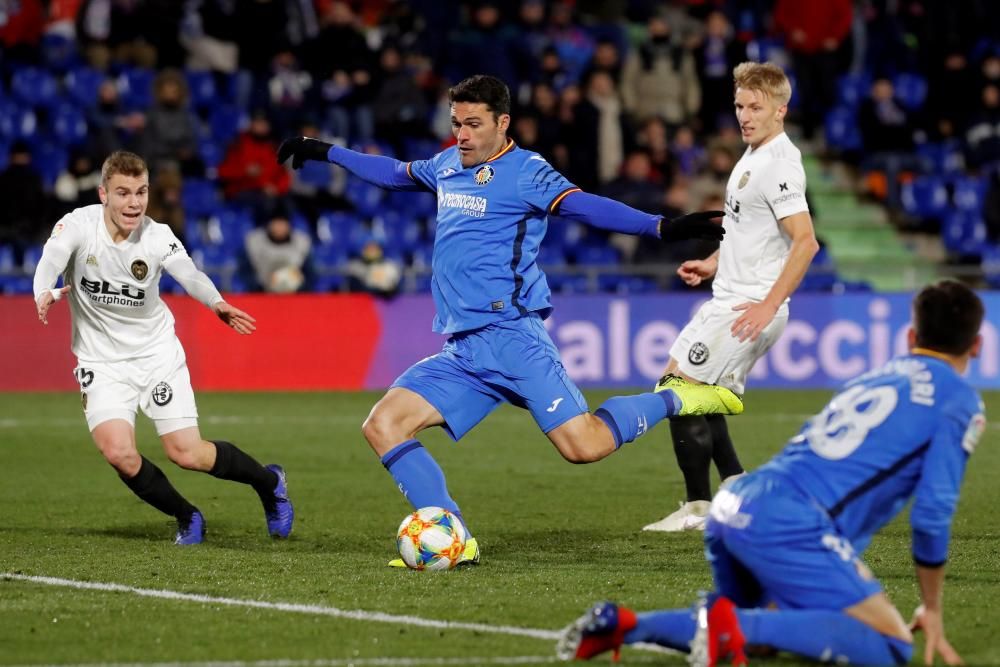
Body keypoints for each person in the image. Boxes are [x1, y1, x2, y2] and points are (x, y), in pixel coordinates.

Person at [277, 74, 740, 567]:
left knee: (584, 447)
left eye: (474, 124)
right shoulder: (447, 165)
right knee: (384, 425)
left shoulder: (527, 173)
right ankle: (455, 537)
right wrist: (326, 150)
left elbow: (584, 205)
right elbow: (393, 171)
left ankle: (677, 397)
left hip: (514, 339)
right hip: (463, 350)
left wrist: (661, 227)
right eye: (457, 123)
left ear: (503, 123)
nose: (462, 135)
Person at [559, 279, 984, 667]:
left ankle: (627, 624)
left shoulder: (877, 377)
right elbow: (932, 513)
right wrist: (931, 606)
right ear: (978, 345)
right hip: (791, 523)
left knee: (760, 634)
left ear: (911, 337)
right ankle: (731, 628)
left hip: (738, 505)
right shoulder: (959, 401)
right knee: (891, 645)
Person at [32, 150, 293, 545]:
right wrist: (43, 292)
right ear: (103, 194)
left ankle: (269, 482)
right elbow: (49, 261)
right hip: (100, 362)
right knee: (119, 453)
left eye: (141, 192)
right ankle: (186, 515)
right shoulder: (77, 226)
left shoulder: (157, 236)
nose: (134, 203)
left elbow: (190, 273)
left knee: (187, 454)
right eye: (123, 193)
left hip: (156, 356)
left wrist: (217, 303)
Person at [643, 61, 819, 533]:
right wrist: (713, 262)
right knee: (690, 389)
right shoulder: (751, 157)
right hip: (726, 298)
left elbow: (805, 242)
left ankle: (699, 508)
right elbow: (747, 230)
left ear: (780, 110)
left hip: (749, 306)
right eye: (739, 105)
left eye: (755, 107)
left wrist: (767, 305)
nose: (744, 115)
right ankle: (738, 488)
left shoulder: (779, 165)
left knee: (679, 393)